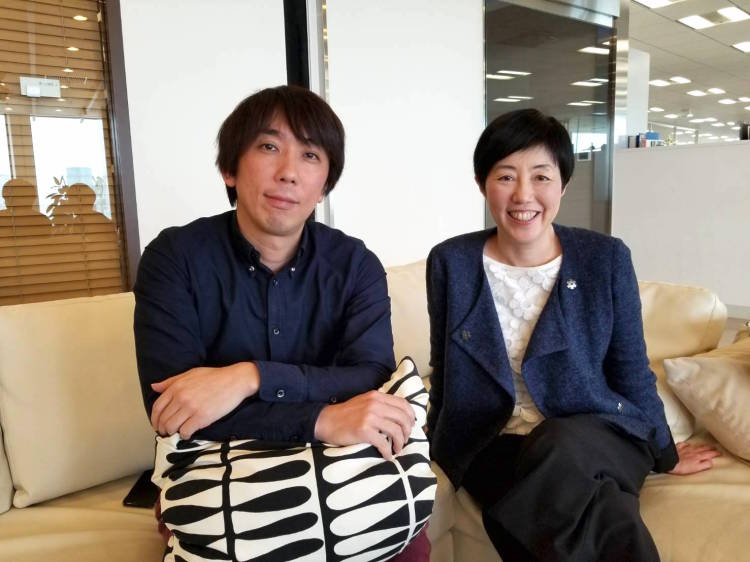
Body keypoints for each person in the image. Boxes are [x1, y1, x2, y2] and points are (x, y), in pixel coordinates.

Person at [134, 85, 429, 561]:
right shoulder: (175, 259)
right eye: (269, 146)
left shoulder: (355, 265)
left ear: (325, 182)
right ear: (230, 169)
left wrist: (250, 377)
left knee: (405, 541)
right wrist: (321, 417)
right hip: (217, 471)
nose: (289, 171)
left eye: (310, 155)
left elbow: (370, 373)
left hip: (340, 464)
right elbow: (172, 409)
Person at [425, 108, 720, 562]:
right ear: (483, 184)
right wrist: (435, 435)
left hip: (598, 432)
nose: (524, 194)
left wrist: (666, 452)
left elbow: (630, 368)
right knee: (598, 509)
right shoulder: (451, 262)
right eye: (506, 176)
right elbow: (444, 366)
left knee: (556, 447)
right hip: (495, 443)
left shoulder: (605, 258)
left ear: (563, 184)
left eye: (541, 177)